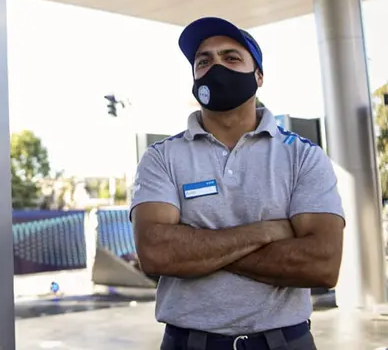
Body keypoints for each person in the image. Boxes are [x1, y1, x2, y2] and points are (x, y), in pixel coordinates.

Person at [129, 17, 345, 350]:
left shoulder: (303, 156)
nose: (216, 67)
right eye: (204, 61)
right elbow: (156, 253)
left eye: (231, 58)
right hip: (189, 343)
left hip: (285, 341)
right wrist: (267, 232)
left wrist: (195, 251)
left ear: (258, 76)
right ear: (194, 78)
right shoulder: (161, 157)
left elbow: (323, 264)